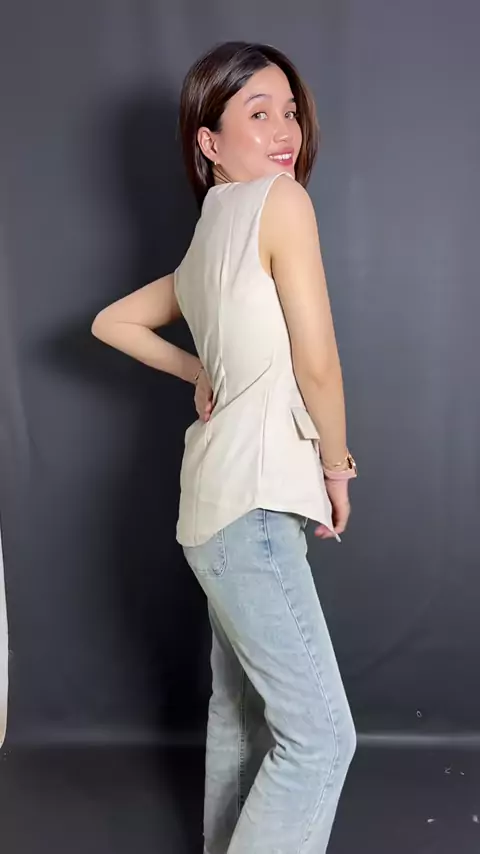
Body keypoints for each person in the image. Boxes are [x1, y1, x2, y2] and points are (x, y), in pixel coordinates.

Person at [92, 40, 357, 854]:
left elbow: (110, 322)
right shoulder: (282, 202)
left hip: (209, 513)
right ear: (209, 142)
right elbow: (318, 362)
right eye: (258, 112)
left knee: (239, 718)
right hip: (257, 507)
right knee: (320, 740)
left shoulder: (210, 233)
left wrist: (197, 368)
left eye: (291, 112)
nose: (285, 131)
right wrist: (338, 468)